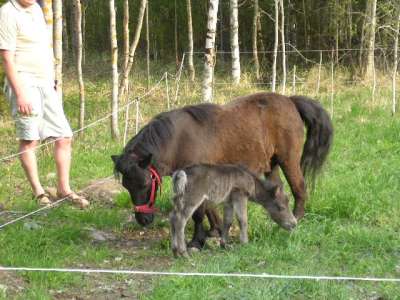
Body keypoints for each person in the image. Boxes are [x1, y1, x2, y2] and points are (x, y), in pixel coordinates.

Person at [0, 0, 89, 208]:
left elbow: (43, 48)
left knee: (64, 136)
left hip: (46, 82)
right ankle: (39, 193)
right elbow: (7, 59)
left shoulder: (37, 9)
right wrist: (20, 93)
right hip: (24, 82)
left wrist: (53, 81)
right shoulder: (6, 13)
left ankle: (64, 190)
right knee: (30, 139)